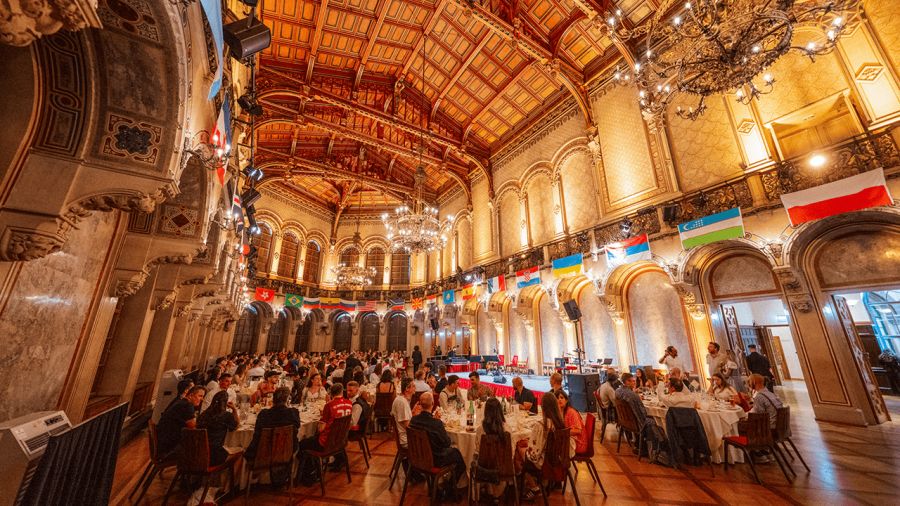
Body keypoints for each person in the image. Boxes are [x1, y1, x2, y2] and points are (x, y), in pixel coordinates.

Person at [408, 392, 466, 500]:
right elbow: (446, 443)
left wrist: (435, 421)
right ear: (433, 404)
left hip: (417, 458)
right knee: (459, 457)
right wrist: (437, 423)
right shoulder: (436, 424)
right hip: (435, 459)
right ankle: (448, 490)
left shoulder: (414, 420)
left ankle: (438, 489)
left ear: (420, 404)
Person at [518, 391, 571, 500]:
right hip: (558, 460)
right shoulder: (561, 423)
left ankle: (533, 486)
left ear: (543, 407)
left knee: (518, 450)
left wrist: (525, 445)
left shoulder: (541, 425)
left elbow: (533, 454)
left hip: (545, 463)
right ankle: (541, 483)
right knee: (524, 447)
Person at [615, 373, 659, 455]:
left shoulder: (617, 391)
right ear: (627, 382)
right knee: (655, 421)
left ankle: (639, 445)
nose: (634, 383)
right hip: (637, 424)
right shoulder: (633, 396)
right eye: (633, 381)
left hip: (625, 422)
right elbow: (642, 414)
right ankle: (654, 450)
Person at [157, 386, 206, 457]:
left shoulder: (181, 401)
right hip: (168, 448)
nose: (202, 399)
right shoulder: (188, 405)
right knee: (202, 445)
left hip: (162, 441)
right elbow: (193, 429)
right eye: (200, 396)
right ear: (191, 395)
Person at [196, 390, 239, 465]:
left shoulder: (203, 414)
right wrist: (234, 409)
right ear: (225, 402)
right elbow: (235, 427)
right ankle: (224, 476)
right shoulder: (226, 415)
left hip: (196, 453)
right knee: (240, 451)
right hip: (213, 456)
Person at [391, 378, 416, 448]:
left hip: (406, 437)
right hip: (406, 440)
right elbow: (408, 426)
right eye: (413, 386)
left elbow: (405, 420)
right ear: (407, 389)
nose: (415, 388)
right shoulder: (402, 402)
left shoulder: (402, 400)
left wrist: (413, 413)